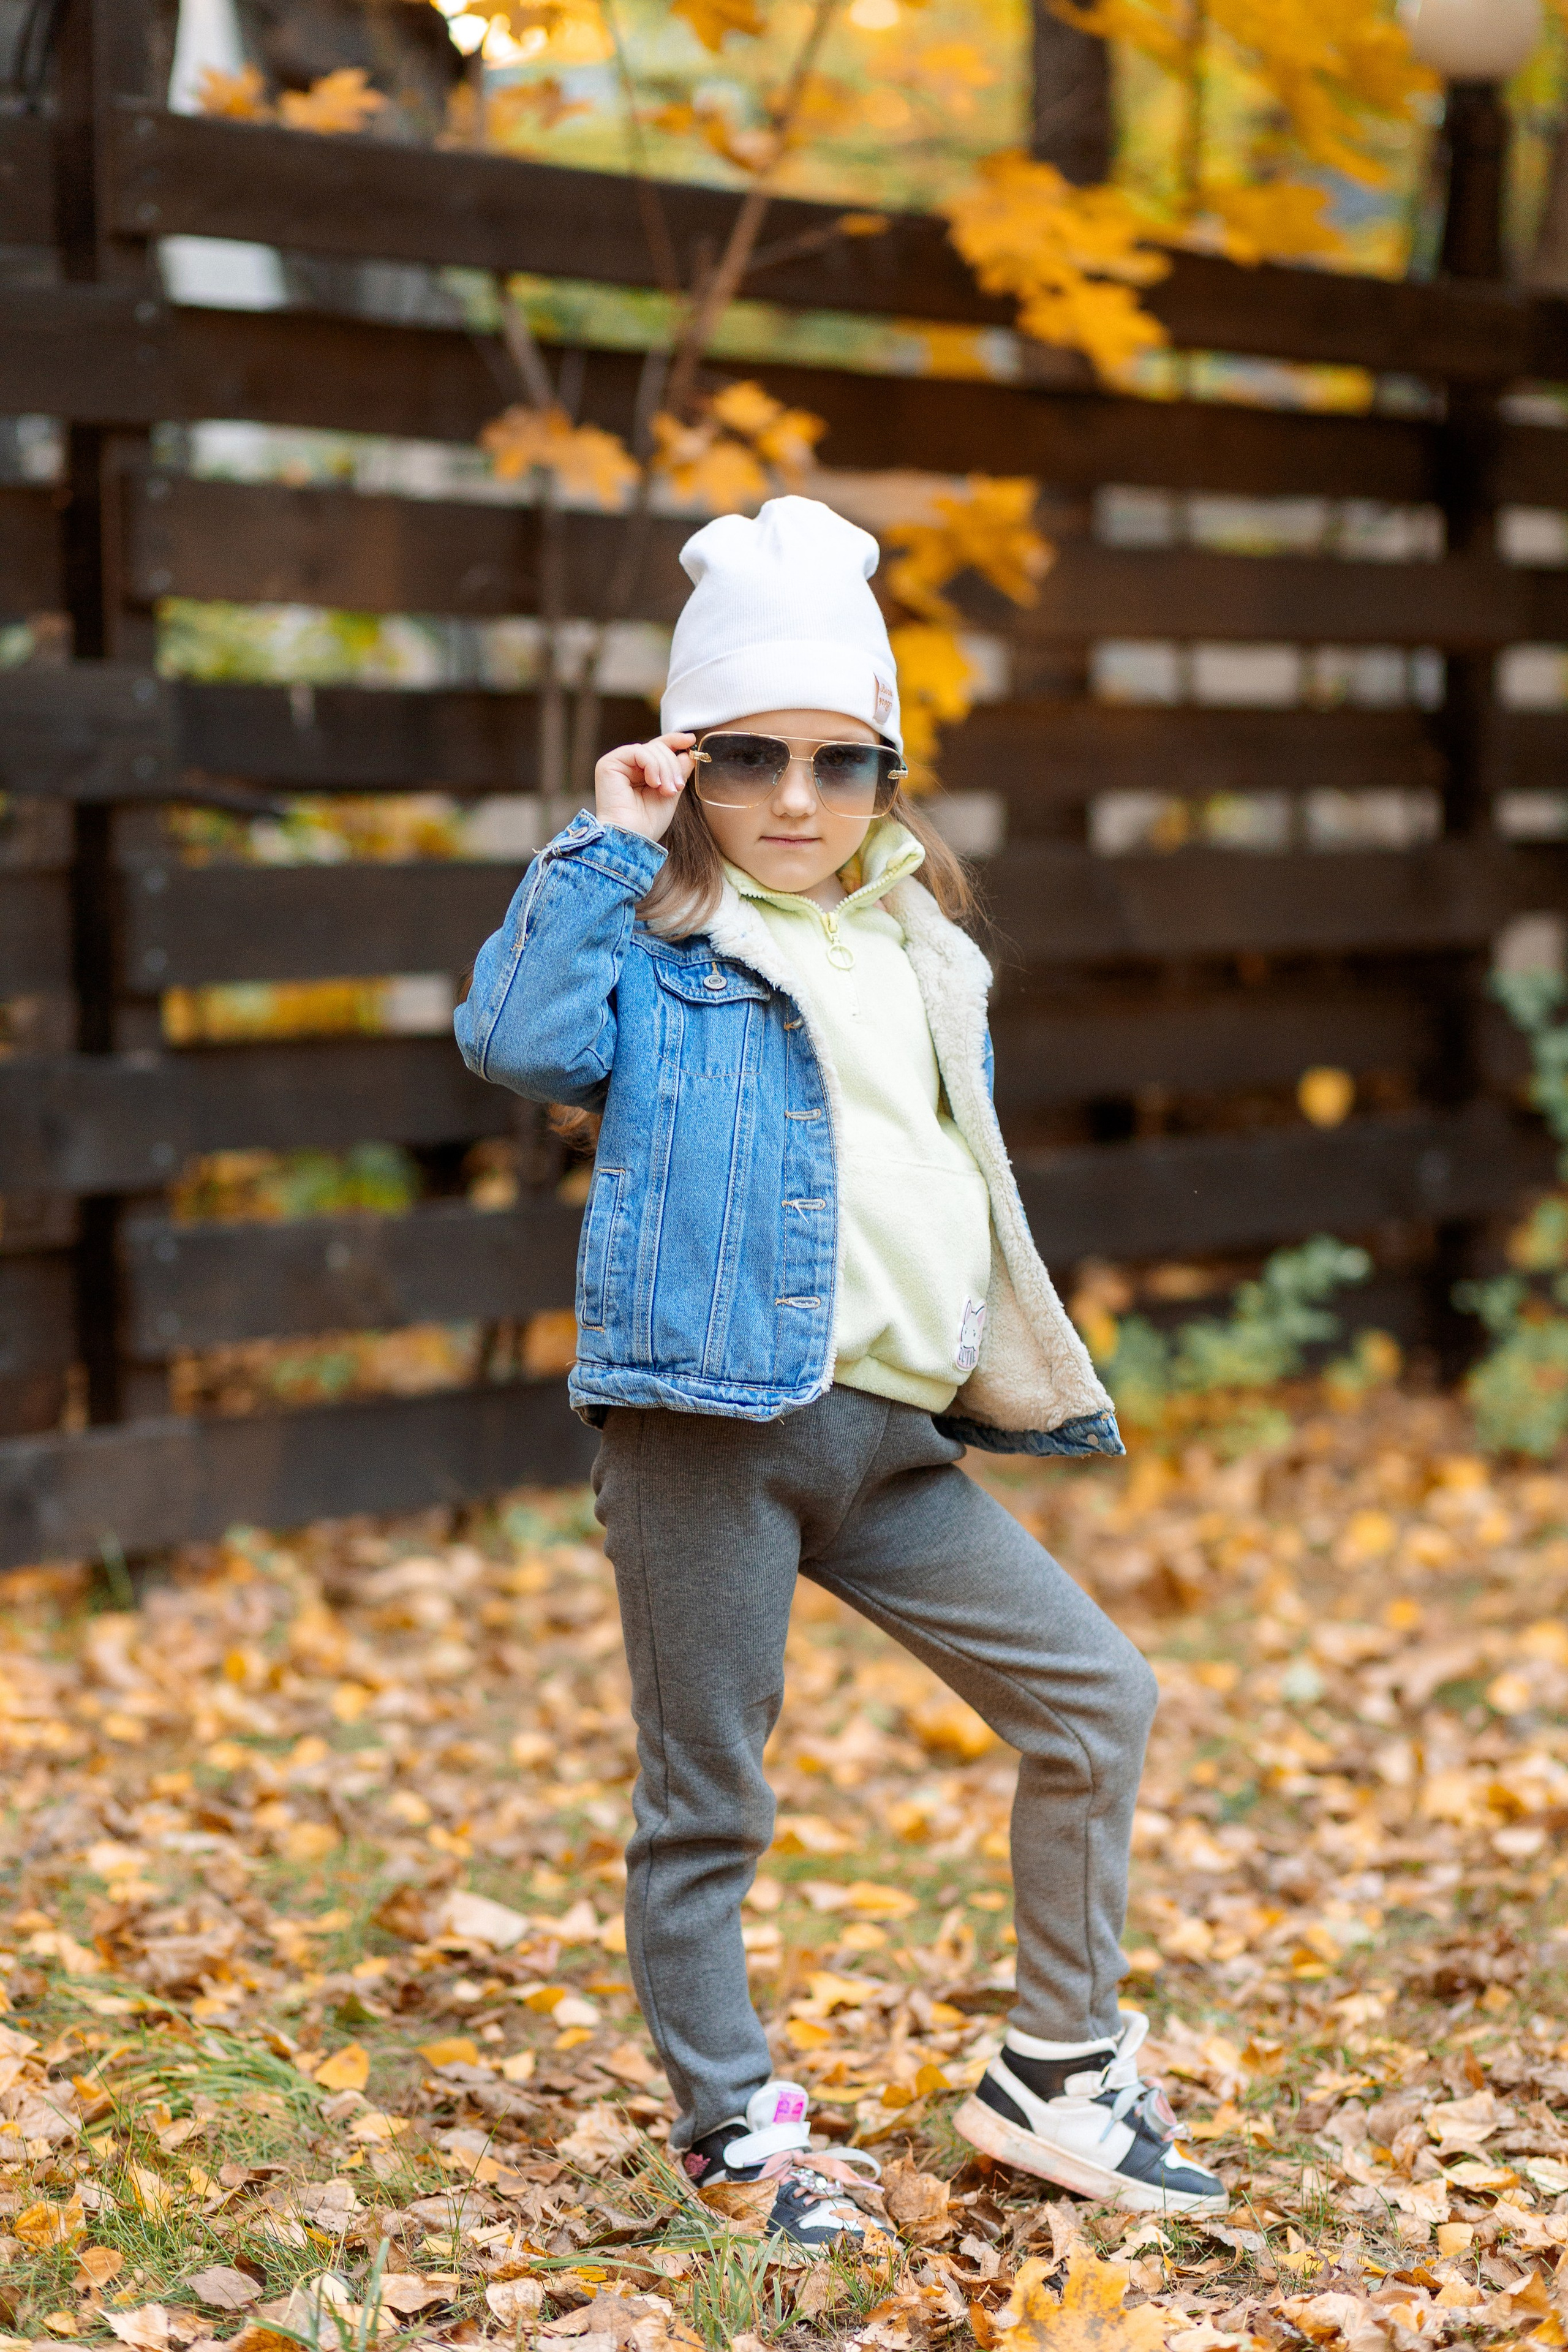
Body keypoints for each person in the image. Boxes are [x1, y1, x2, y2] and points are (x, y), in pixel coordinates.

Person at [455, 496, 1226, 2244]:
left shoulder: (920, 952)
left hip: (889, 1437)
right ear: (687, 760)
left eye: (838, 760)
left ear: (886, 771)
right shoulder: (660, 956)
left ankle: (1058, 2072)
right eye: (746, 757)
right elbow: (514, 1042)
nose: (794, 799)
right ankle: (737, 2134)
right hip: (709, 1432)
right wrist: (601, 843)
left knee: (1094, 1700)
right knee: (709, 1791)